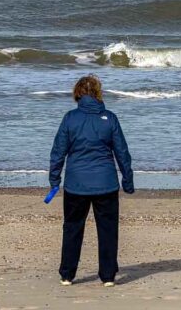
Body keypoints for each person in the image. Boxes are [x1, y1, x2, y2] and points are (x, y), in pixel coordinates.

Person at [49, 74, 134, 287]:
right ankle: (107, 276)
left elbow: (58, 151)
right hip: (104, 183)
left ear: (78, 93)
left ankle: (67, 274)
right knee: (107, 229)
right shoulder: (109, 118)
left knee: (72, 228)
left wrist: (54, 178)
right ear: (98, 93)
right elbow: (122, 152)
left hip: (77, 184)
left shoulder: (71, 118)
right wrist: (128, 180)